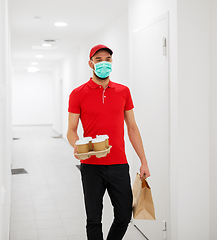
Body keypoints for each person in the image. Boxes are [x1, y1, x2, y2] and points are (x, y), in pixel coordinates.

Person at [67, 44, 150, 240]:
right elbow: (71, 130)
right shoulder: (78, 93)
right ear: (91, 63)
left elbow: (132, 128)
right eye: (98, 60)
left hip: (119, 164)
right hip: (91, 166)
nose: (104, 63)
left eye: (108, 59)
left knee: (123, 216)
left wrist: (143, 161)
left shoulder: (123, 91)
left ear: (112, 62)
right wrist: (77, 147)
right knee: (93, 220)